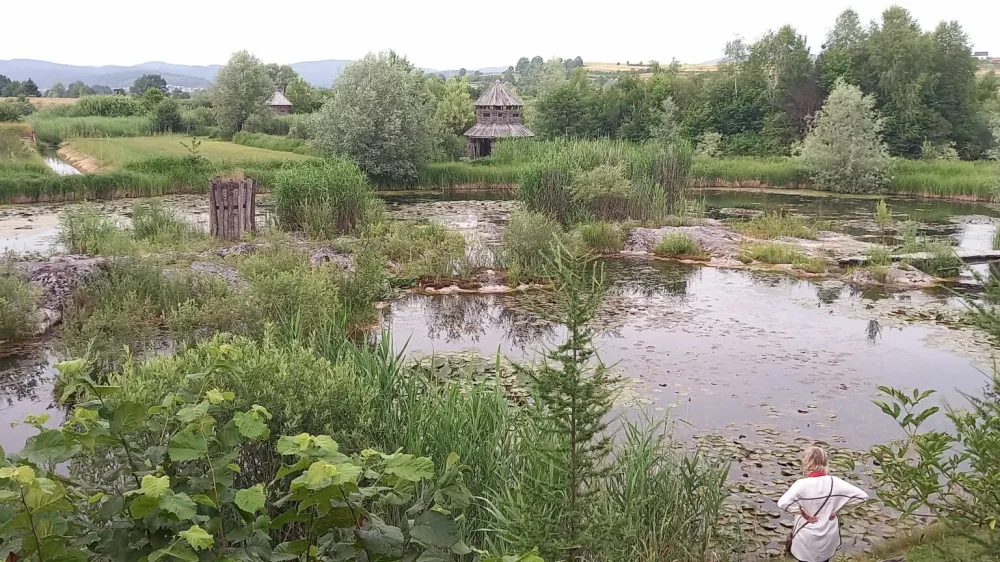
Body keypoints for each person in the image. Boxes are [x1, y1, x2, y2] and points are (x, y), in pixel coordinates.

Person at [777, 446, 869, 562]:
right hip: (827, 537)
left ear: (806, 462)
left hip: (806, 539)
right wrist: (836, 508)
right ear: (825, 462)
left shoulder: (801, 484)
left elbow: (783, 504)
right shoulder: (835, 482)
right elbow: (862, 497)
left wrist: (802, 513)